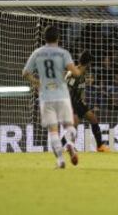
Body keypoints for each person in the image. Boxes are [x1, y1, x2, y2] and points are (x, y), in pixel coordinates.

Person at [23, 25, 81, 168]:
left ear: (45, 38)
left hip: (46, 96)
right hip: (62, 95)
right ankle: (69, 142)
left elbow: (25, 73)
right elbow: (75, 73)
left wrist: (37, 83)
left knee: (53, 131)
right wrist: (70, 71)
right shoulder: (63, 53)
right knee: (70, 126)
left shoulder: (38, 53)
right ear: (58, 38)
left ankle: (60, 160)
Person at [62, 50, 110, 152]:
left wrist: (82, 101)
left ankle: (100, 146)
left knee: (93, 119)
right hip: (70, 102)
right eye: (91, 63)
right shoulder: (74, 73)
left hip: (78, 102)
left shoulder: (83, 74)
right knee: (74, 126)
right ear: (88, 63)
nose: (91, 65)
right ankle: (61, 145)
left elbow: (81, 90)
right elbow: (66, 89)